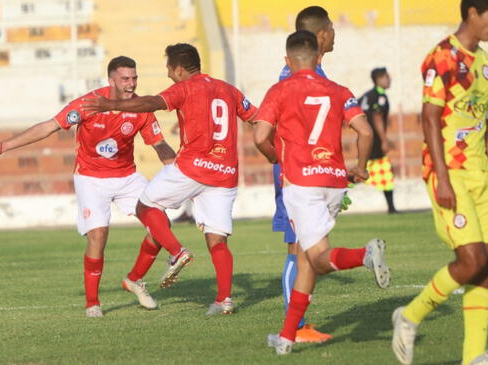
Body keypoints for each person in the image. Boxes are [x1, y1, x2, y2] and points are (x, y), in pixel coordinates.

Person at [0, 56, 177, 318]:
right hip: (90, 178)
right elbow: (48, 127)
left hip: (127, 177)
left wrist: (176, 169)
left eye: (134, 78)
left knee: (161, 226)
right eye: (125, 79)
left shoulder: (141, 108)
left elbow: (159, 144)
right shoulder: (88, 104)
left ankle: (134, 280)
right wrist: (3, 146)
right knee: (98, 237)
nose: (131, 84)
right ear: (111, 80)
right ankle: (93, 303)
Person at [82, 43, 258, 315]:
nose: (168, 75)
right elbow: (256, 118)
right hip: (225, 173)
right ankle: (224, 300)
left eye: (168, 69)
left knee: (146, 207)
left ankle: (176, 252)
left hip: (192, 166)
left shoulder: (184, 87)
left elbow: (151, 102)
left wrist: (111, 104)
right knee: (218, 240)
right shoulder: (229, 89)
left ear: (178, 68)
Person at [253, 30, 390, 355]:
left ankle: (364, 255)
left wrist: (277, 158)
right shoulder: (338, 90)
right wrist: (360, 166)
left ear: (287, 60)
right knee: (305, 260)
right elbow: (365, 130)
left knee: (316, 258)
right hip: (333, 181)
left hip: (302, 184)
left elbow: (260, 136)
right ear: (317, 58)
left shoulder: (280, 89)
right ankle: (287, 337)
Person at [392, 1, 488, 364]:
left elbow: (486, 123)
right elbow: (430, 118)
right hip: (450, 172)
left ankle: (473, 357)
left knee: (487, 267)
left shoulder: (484, 64)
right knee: (471, 260)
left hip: (482, 174)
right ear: (473, 13)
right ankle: (410, 315)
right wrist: (443, 178)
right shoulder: (444, 57)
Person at [269, 5, 336, 344]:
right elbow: (266, 132)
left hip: (313, 174)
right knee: (297, 247)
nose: (335, 33)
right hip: (296, 177)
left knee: (308, 248)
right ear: (322, 34)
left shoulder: (315, 76)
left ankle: (299, 324)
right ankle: (295, 326)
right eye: (332, 27)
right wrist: (283, 167)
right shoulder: (291, 79)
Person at [359, 67, 398, 214]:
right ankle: (392, 208)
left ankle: (391, 207)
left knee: (367, 171)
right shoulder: (380, 96)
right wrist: (384, 139)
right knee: (382, 173)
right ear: (379, 79)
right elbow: (377, 117)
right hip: (374, 141)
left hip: (364, 140)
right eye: (386, 77)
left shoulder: (366, 96)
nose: (389, 79)